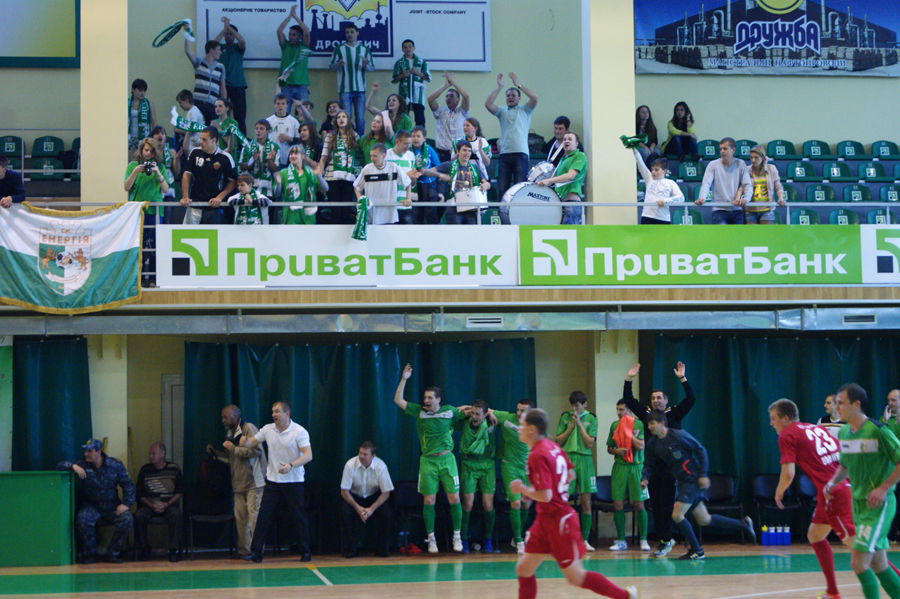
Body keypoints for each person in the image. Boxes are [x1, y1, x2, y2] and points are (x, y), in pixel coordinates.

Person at [512, 408, 639, 599]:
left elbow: (546, 495)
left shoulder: (537, 454)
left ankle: (625, 596)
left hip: (559, 521)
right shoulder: (552, 447)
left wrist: (523, 489)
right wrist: (537, 491)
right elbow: (569, 474)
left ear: (531, 429)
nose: (519, 428)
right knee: (523, 569)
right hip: (545, 519)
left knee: (575, 577)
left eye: (522, 425)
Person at [769, 398, 862, 599]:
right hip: (836, 489)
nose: (771, 423)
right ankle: (832, 592)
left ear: (785, 418)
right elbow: (843, 456)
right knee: (815, 535)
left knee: (861, 549)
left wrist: (779, 491)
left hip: (835, 493)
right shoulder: (814, 428)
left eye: (773, 418)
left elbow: (789, 473)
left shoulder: (787, 434)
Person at [642, 409, 755, 560]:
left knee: (677, 514)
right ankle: (743, 524)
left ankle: (697, 550)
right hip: (682, 482)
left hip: (692, 479)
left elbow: (701, 450)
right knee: (704, 519)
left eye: (652, 423)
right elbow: (648, 463)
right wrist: (645, 478)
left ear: (662, 423)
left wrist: (703, 474)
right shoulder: (653, 443)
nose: (649, 427)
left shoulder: (679, 436)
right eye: (648, 424)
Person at [825, 384, 900, 599]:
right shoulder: (844, 433)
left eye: (841, 403)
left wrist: (883, 488)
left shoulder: (878, 430)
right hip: (858, 504)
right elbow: (845, 465)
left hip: (878, 505)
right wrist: (832, 482)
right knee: (878, 563)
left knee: (858, 562)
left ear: (856, 404)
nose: (836, 407)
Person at [622, 361, 696, 557]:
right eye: (653, 398)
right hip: (652, 467)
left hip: (672, 468)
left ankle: (670, 540)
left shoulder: (675, 413)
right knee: (655, 506)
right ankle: (665, 540)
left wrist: (682, 378)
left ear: (666, 400)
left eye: (659, 398)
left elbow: (691, 398)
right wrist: (629, 378)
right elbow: (628, 399)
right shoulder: (647, 414)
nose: (655, 401)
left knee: (667, 506)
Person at [392, 363, 465, 553]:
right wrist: (404, 379)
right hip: (428, 462)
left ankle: (457, 536)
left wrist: (488, 414)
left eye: (430, 397)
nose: (426, 400)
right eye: (425, 397)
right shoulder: (419, 412)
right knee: (429, 501)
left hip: (448, 461)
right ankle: (431, 539)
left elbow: (468, 412)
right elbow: (398, 400)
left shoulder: (449, 411)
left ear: (438, 399)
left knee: (454, 498)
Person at [240, 401, 313, 563]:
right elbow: (252, 442)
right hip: (273, 481)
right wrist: (244, 441)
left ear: (287, 414)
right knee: (263, 516)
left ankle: (305, 552)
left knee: (298, 516)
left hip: (294, 481)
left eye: (277, 411)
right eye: (273, 411)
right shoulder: (268, 429)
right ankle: (256, 553)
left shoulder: (299, 431)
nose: (274, 414)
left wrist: (291, 466)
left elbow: (308, 455)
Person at [57, 439, 135, 564]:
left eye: (89, 451)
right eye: (85, 451)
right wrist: (73, 466)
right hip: (91, 506)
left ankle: (112, 553)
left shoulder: (115, 465)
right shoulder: (83, 464)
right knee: (83, 519)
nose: (86, 454)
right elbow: (60, 465)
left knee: (127, 519)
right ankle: (91, 554)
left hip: (111, 506)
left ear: (98, 452)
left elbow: (128, 485)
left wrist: (125, 504)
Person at [207, 404, 267, 561]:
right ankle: (245, 551)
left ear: (235, 417)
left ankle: (257, 551)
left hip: (254, 482)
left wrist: (235, 449)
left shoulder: (249, 428)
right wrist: (215, 453)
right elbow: (230, 459)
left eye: (225, 417)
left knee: (254, 520)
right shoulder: (229, 433)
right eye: (222, 417)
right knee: (240, 520)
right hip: (238, 483)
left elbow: (257, 451)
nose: (223, 420)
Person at [488, 399, 534, 555]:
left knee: (526, 505)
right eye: (518, 410)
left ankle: (516, 536)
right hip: (509, 466)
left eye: (523, 410)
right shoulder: (507, 418)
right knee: (515, 503)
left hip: (527, 469)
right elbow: (485, 410)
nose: (519, 413)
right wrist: (487, 413)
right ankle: (519, 541)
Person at [554, 391, 598, 551]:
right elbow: (558, 440)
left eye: (577, 406)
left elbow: (589, 443)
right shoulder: (565, 417)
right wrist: (571, 425)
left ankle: (584, 540)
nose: (574, 409)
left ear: (585, 404)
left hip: (585, 460)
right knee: (563, 501)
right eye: (572, 406)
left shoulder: (592, 418)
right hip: (568, 459)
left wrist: (579, 425)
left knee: (586, 501)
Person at [453, 399, 498, 553]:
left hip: (487, 466)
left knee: (488, 505)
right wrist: (466, 408)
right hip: (469, 465)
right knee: (468, 504)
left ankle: (488, 538)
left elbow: (505, 416)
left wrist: (490, 413)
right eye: (472, 413)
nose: (474, 416)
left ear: (485, 415)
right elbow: (451, 416)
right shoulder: (465, 423)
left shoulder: (491, 422)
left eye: (478, 414)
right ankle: (463, 539)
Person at [485, 72, 538, 201]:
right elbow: (488, 104)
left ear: (519, 98)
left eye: (513, 95)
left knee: (519, 190)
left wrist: (518, 85)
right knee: (503, 190)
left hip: (521, 154)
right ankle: (504, 214)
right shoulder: (502, 111)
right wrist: (499, 87)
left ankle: (518, 214)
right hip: (504, 155)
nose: (510, 97)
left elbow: (534, 98)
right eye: (508, 95)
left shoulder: (525, 110)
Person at [124, 138, 169, 286]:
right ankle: (141, 278)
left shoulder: (160, 167)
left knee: (155, 245)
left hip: (155, 211)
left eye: (151, 151)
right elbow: (126, 187)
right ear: (141, 150)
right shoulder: (133, 166)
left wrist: (158, 173)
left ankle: (154, 278)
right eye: (146, 150)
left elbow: (166, 189)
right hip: (138, 211)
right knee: (140, 245)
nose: (148, 153)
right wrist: (135, 172)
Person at [607, 399, 649, 552]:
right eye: (617, 409)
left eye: (622, 409)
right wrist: (616, 451)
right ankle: (621, 540)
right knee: (618, 504)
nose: (618, 412)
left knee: (639, 505)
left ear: (630, 410)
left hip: (636, 468)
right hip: (620, 468)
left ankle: (643, 539)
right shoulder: (614, 426)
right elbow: (609, 448)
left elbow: (641, 446)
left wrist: (627, 433)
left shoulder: (639, 424)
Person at [339, 441, 394, 558]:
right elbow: (344, 491)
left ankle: (381, 549)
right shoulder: (350, 465)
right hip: (354, 497)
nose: (361, 456)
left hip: (373, 497)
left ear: (373, 456)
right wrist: (358, 508)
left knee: (386, 515)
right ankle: (352, 549)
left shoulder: (381, 466)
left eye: (365, 454)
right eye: (360, 453)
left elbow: (386, 493)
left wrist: (371, 509)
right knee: (346, 513)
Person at [134, 443, 184, 562]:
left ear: (162, 454)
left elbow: (180, 492)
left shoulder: (174, 469)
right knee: (138, 516)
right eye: (149, 454)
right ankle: (144, 549)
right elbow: (139, 494)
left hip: (169, 504)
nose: (150, 456)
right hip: (149, 505)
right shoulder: (145, 470)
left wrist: (167, 504)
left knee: (176, 515)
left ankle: (173, 550)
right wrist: (151, 505)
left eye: (153, 453)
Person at [180, 126, 237, 225]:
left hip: (214, 206)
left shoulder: (225, 157)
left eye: (204, 140)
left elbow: (233, 181)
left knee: (213, 234)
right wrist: (185, 197)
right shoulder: (195, 152)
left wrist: (219, 197)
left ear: (213, 140)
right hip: (194, 203)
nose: (200, 142)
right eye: (200, 139)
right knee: (189, 234)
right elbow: (186, 174)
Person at [428, 140, 491, 225]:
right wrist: (440, 175)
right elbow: (428, 172)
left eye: (469, 151)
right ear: (457, 152)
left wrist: (486, 185)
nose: (467, 153)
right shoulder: (448, 165)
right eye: (464, 150)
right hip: (454, 207)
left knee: (471, 232)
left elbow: (487, 183)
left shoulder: (475, 167)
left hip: (471, 208)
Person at [694, 137, 753, 225]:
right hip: (719, 210)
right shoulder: (713, 164)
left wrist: (746, 199)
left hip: (737, 210)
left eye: (725, 149)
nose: (722, 151)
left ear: (733, 150)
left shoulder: (741, 164)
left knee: (737, 234)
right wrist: (702, 197)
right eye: (720, 149)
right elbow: (706, 183)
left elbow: (747, 184)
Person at [329, 23, 374, 136]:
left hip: (360, 89)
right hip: (344, 89)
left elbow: (372, 68)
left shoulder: (364, 49)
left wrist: (366, 65)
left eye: (352, 32)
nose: (350, 34)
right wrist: (338, 64)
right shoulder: (339, 49)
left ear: (357, 33)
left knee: (360, 119)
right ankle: (347, 141)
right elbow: (331, 67)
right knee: (345, 118)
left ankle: (360, 141)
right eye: (347, 32)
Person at [355, 142, 411, 226]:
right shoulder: (367, 169)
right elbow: (356, 187)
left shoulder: (394, 167)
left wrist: (408, 198)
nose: (372, 158)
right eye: (371, 155)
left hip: (389, 216)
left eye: (375, 156)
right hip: (372, 215)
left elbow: (408, 183)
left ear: (384, 156)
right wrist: (360, 199)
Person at [536, 132, 586, 225]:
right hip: (559, 204)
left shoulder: (579, 155)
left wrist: (548, 180)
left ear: (576, 144)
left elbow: (570, 176)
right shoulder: (562, 159)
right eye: (565, 139)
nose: (566, 141)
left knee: (569, 233)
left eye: (570, 139)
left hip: (571, 204)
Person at [319, 110, 360, 224]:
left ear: (348, 120)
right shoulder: (330, 136)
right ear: (335, 121)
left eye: (344, 117)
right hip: (331, 177)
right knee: (335, 212)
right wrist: (320, 180)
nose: (341, 119)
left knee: (346, 212)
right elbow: (323, 159)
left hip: (348, 177)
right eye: (338, 117)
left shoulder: (355, 136)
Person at [631, 150, 684, 224]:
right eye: (652, 169)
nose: (653, 172)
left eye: (656, 170)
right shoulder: (649, 178)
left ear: (664, 171)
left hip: (663, 218)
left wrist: (665, 201)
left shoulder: (670, 182)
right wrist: (634, 149)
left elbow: (681, 198)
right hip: (647, 217)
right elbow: (641, 164)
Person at [215, 17, 248, 135]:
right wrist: (224, 29)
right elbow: (213, 44)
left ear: (234, 36)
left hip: (238, 85)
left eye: (230, 34)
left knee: (240, 117)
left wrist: (228, 26)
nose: (228, 36)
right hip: (223, 86)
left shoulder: (238, 48)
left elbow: (242, 41)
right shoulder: (220, 48)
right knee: (220, 115)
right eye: (226, 34)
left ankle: (242, 143)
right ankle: (222, 140)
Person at [428, 72, 469, 163]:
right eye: (446, 96)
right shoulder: (440, 112)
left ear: (458, 100)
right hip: (442, 154)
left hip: (458, 154)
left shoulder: (462, 112)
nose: (448, 98)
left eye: (451, 96)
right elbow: (430, 99)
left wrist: (452, 81)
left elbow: (466, 96)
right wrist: (445, 86)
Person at [279, 145, 327, 225]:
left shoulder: (310, 173)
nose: (293, 156)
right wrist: (278, 184)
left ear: (303, 156)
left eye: (296, 153)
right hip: (291, 217)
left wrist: (318, 175)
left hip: (308, 218)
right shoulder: (283, 173)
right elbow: (277, 194)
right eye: (291, 154)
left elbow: (325, 188)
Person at [183, 38, 227, 125]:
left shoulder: (221, 67)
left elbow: (223, 87)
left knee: (211, 130)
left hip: (213, 105)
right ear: (211, 51)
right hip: (198, 103)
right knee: (197, 129)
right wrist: (187, 35)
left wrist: (224, 105)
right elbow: (187, 50)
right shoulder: (198, 62)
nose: (221, 52)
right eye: (219, 50)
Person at [276, 5, 312, 105]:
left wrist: (295, 17)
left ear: (300, 37)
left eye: (294, 35)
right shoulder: (285, 46)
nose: (290, 37)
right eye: (290, 34)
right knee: (285, 112)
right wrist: (289, 17)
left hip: (301, 85)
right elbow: (279, 31)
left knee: (304, 111)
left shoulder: (303, 47)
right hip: (286, 85)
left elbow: (307, 32)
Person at [392, 39, 431, 127]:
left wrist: (418, 73)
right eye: (405, 47)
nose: (408, 49)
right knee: (402, 118)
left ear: (414, 48)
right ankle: (402, 135)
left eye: (410, 46)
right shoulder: (399, 63)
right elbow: (394, 80)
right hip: (404, 94)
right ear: (402, 49)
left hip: (418, 96)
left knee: (420, 119)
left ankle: (420, 135)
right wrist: (402, 76)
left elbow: (428, 78)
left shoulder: (421, 62)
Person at [745, 144, 785, 225]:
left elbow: (778, 186)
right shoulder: (747, 170)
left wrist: (781, 198)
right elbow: (742, 187)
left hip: (767, 210)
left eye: (756, 157)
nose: (753, 160)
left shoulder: (771, 168)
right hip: (750, 210)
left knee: (766, 232)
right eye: (751, 157)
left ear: (763, 158)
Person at [239, 120, 280, 199]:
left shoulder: (274, 147)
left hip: (268, 189)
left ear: (268, 131)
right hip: (251, 187)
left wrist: (269, 160)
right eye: (256, 128)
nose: (258, 131)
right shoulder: (247, 146)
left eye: (261, 128)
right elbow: (242, 167)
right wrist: (252, 160)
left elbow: (275, 169)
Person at [410, 126, 441, 224]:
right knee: (416, 215)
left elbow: (438, 167)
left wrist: (425, 171)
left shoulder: (430, 150)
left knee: (430, 213)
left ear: (424, 138)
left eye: (418, 136)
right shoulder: (408, 150)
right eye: (413, 136)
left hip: (428, 184)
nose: (415, 138)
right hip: (413, 186)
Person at [385, 130, 417, 224]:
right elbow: (385, 181)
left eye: (410, 143)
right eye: (405, 143)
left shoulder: (410, 156)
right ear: (397, 142)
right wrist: (406, 176)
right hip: (390, 205)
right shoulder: (387, 156)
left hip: (406, 205)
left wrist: (414, 178)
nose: (408, 146)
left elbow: (412, 184)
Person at [451, 117, 491, 181]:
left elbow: (487, 163)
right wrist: (459, 152)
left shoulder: (482, 141)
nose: (464, 127)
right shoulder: (458, 141)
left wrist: (480, 150)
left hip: (479, 175)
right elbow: (452, 161)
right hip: (462, 175)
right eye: (464, 126)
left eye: (467, 125)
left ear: (475, 128)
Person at [267, 93, 301, 168]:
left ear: (287, 105)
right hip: (272, 158)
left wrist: (288, 138)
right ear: (274, 105)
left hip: (288, 158)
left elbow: (300, 141)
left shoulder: (294, 122)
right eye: (278, 103)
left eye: (283, 103)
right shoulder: (268, 121)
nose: (280, 106)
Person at [129, 79, 157, 155]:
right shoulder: (127, 103)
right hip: (130, 137)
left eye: (144, 91)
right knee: (131, 160)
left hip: (144, 137)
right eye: (140, 90)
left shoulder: (148, 103)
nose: (143, 93)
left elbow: (154, 122)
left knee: (143, 159)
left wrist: (155, 139)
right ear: (133, 89)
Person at [175, 90, 204, 158]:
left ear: (186, 100)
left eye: (180, 102)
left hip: (194, 143)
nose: (180, 105)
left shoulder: (192, 112)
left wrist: (178, 130)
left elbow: (192, 129)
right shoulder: (195, 110)